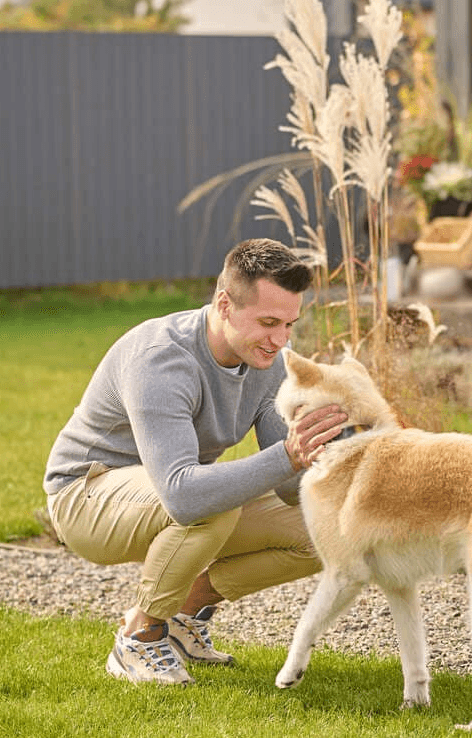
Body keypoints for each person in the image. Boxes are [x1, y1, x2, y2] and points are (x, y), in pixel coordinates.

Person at [43, 238, 349, 686]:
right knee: (209, 503)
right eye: (268, 322)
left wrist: (330, 451)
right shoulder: (162, 359)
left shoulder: (269, 363)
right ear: (225, 304)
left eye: (289, 324)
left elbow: (289, 490)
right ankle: (139, 639)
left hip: (172, 494)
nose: (281, 341)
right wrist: (288, 453)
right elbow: (185, 496)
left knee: (329, 526)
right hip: (86, 495)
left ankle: (184, 618)